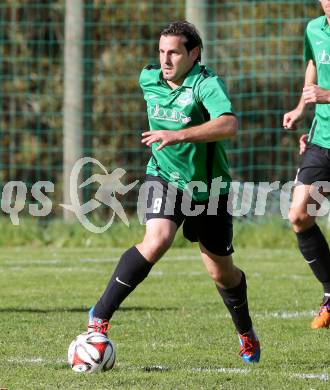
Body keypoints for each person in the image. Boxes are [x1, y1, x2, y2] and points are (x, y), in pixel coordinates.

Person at [87, 21, 260, 363]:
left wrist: (177, 135)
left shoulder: (207, 84)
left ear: (193, 54)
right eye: (162, 51)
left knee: (221, 272)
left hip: (208, 189)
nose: (165, 59)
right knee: (158, 239)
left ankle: (246, 333)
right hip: (164, 177)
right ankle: (99, 316)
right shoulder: (148, 78)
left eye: (174, 52)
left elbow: (229, 124)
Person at [283, 0, 330, 329]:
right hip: (322, 138)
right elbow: (313, 62)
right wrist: (302, 106)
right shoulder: (315, 28)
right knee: (299, 215)